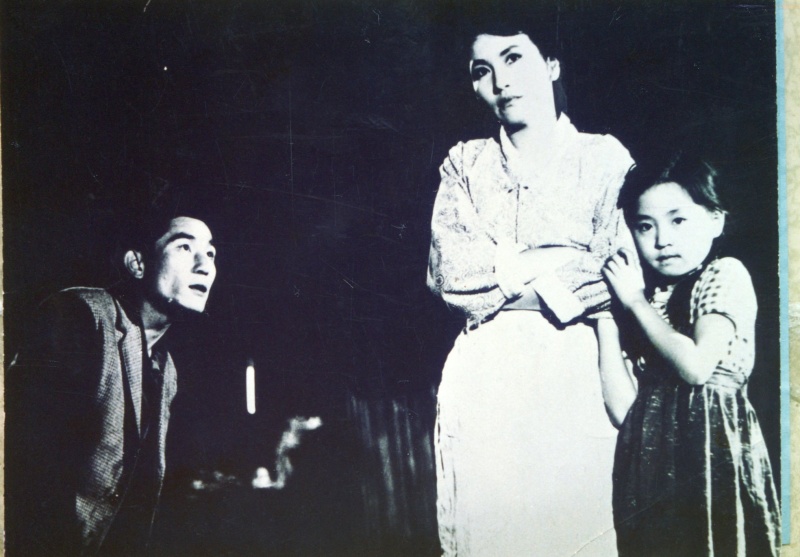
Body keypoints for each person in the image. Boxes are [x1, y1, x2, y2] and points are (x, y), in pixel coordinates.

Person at [426, 14, 634, 556]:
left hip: (577, 372)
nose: (500, 81)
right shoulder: (464, 164)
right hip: (484, 379)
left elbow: (612, 276)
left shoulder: (603, 158)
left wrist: (502, 270)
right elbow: (450, 275)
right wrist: (561, 257)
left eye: (514, 58)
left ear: (552, 64)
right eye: (482, 70)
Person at [597, 152, 781, 556]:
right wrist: (606, 321)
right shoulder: (648, 304)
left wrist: (634, 303)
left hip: (712, 455)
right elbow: (625, 413)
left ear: (716, 220)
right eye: (645, 226)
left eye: (678, 220)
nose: (662, 240)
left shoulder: (724, 273)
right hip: (650, 469)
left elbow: (696, 367)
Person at [5, 213, 218, 556]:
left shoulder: (166, 369)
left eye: (210, 254)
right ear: (137, 263)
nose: (205, 266)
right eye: (184, 247)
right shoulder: (80, 315)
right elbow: (23, 460)